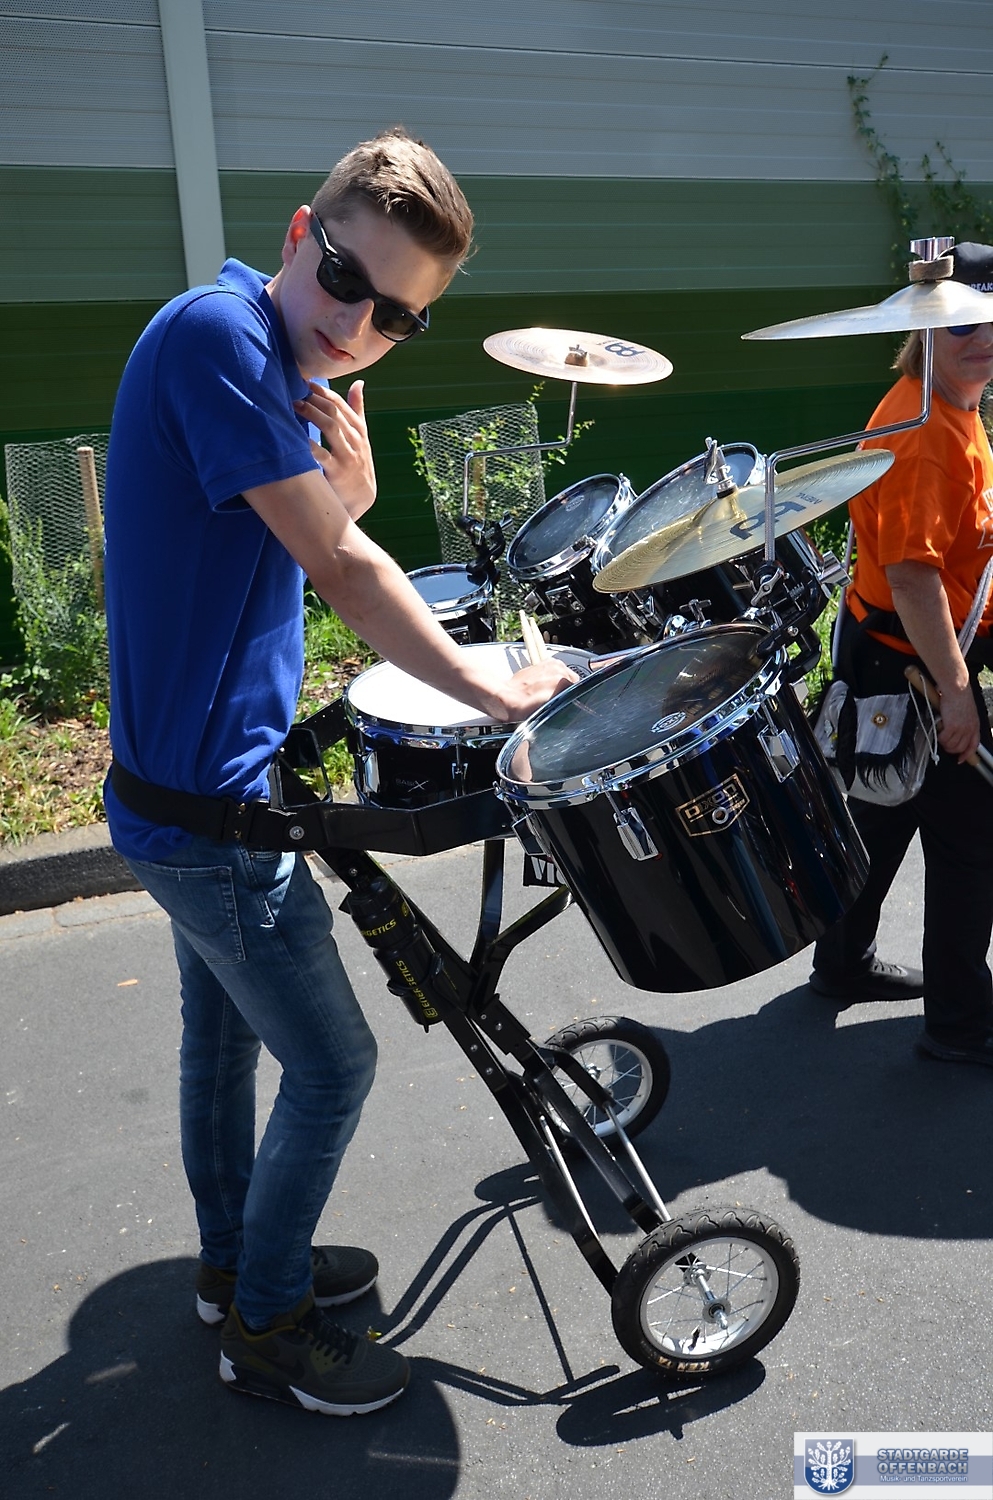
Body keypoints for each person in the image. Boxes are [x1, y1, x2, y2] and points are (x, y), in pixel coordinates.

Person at [101, 127, 577, 1417]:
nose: (360, 326)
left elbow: (286, 544)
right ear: (299, 235)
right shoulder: (220, 336)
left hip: (188, 797)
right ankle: (267, 1324)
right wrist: (490, 685)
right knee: (332, 1067)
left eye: (398, 319)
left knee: (220, 1046)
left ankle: (233, 1267)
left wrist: (345, 510)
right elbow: (338, 565)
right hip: (209, 819)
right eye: (349, 281)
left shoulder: (256, 357)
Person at [809, 242, 993, 1068]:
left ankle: (839, 963)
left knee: (881, 814)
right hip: (912, 659)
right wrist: (955, 692)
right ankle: (960, 1025)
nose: (980, 339)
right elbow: (914, 576)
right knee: (967, 844)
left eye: (990, 321)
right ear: (923, 331)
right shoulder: (923, 430)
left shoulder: (947, 403)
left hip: (887, 650)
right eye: (961, 326)